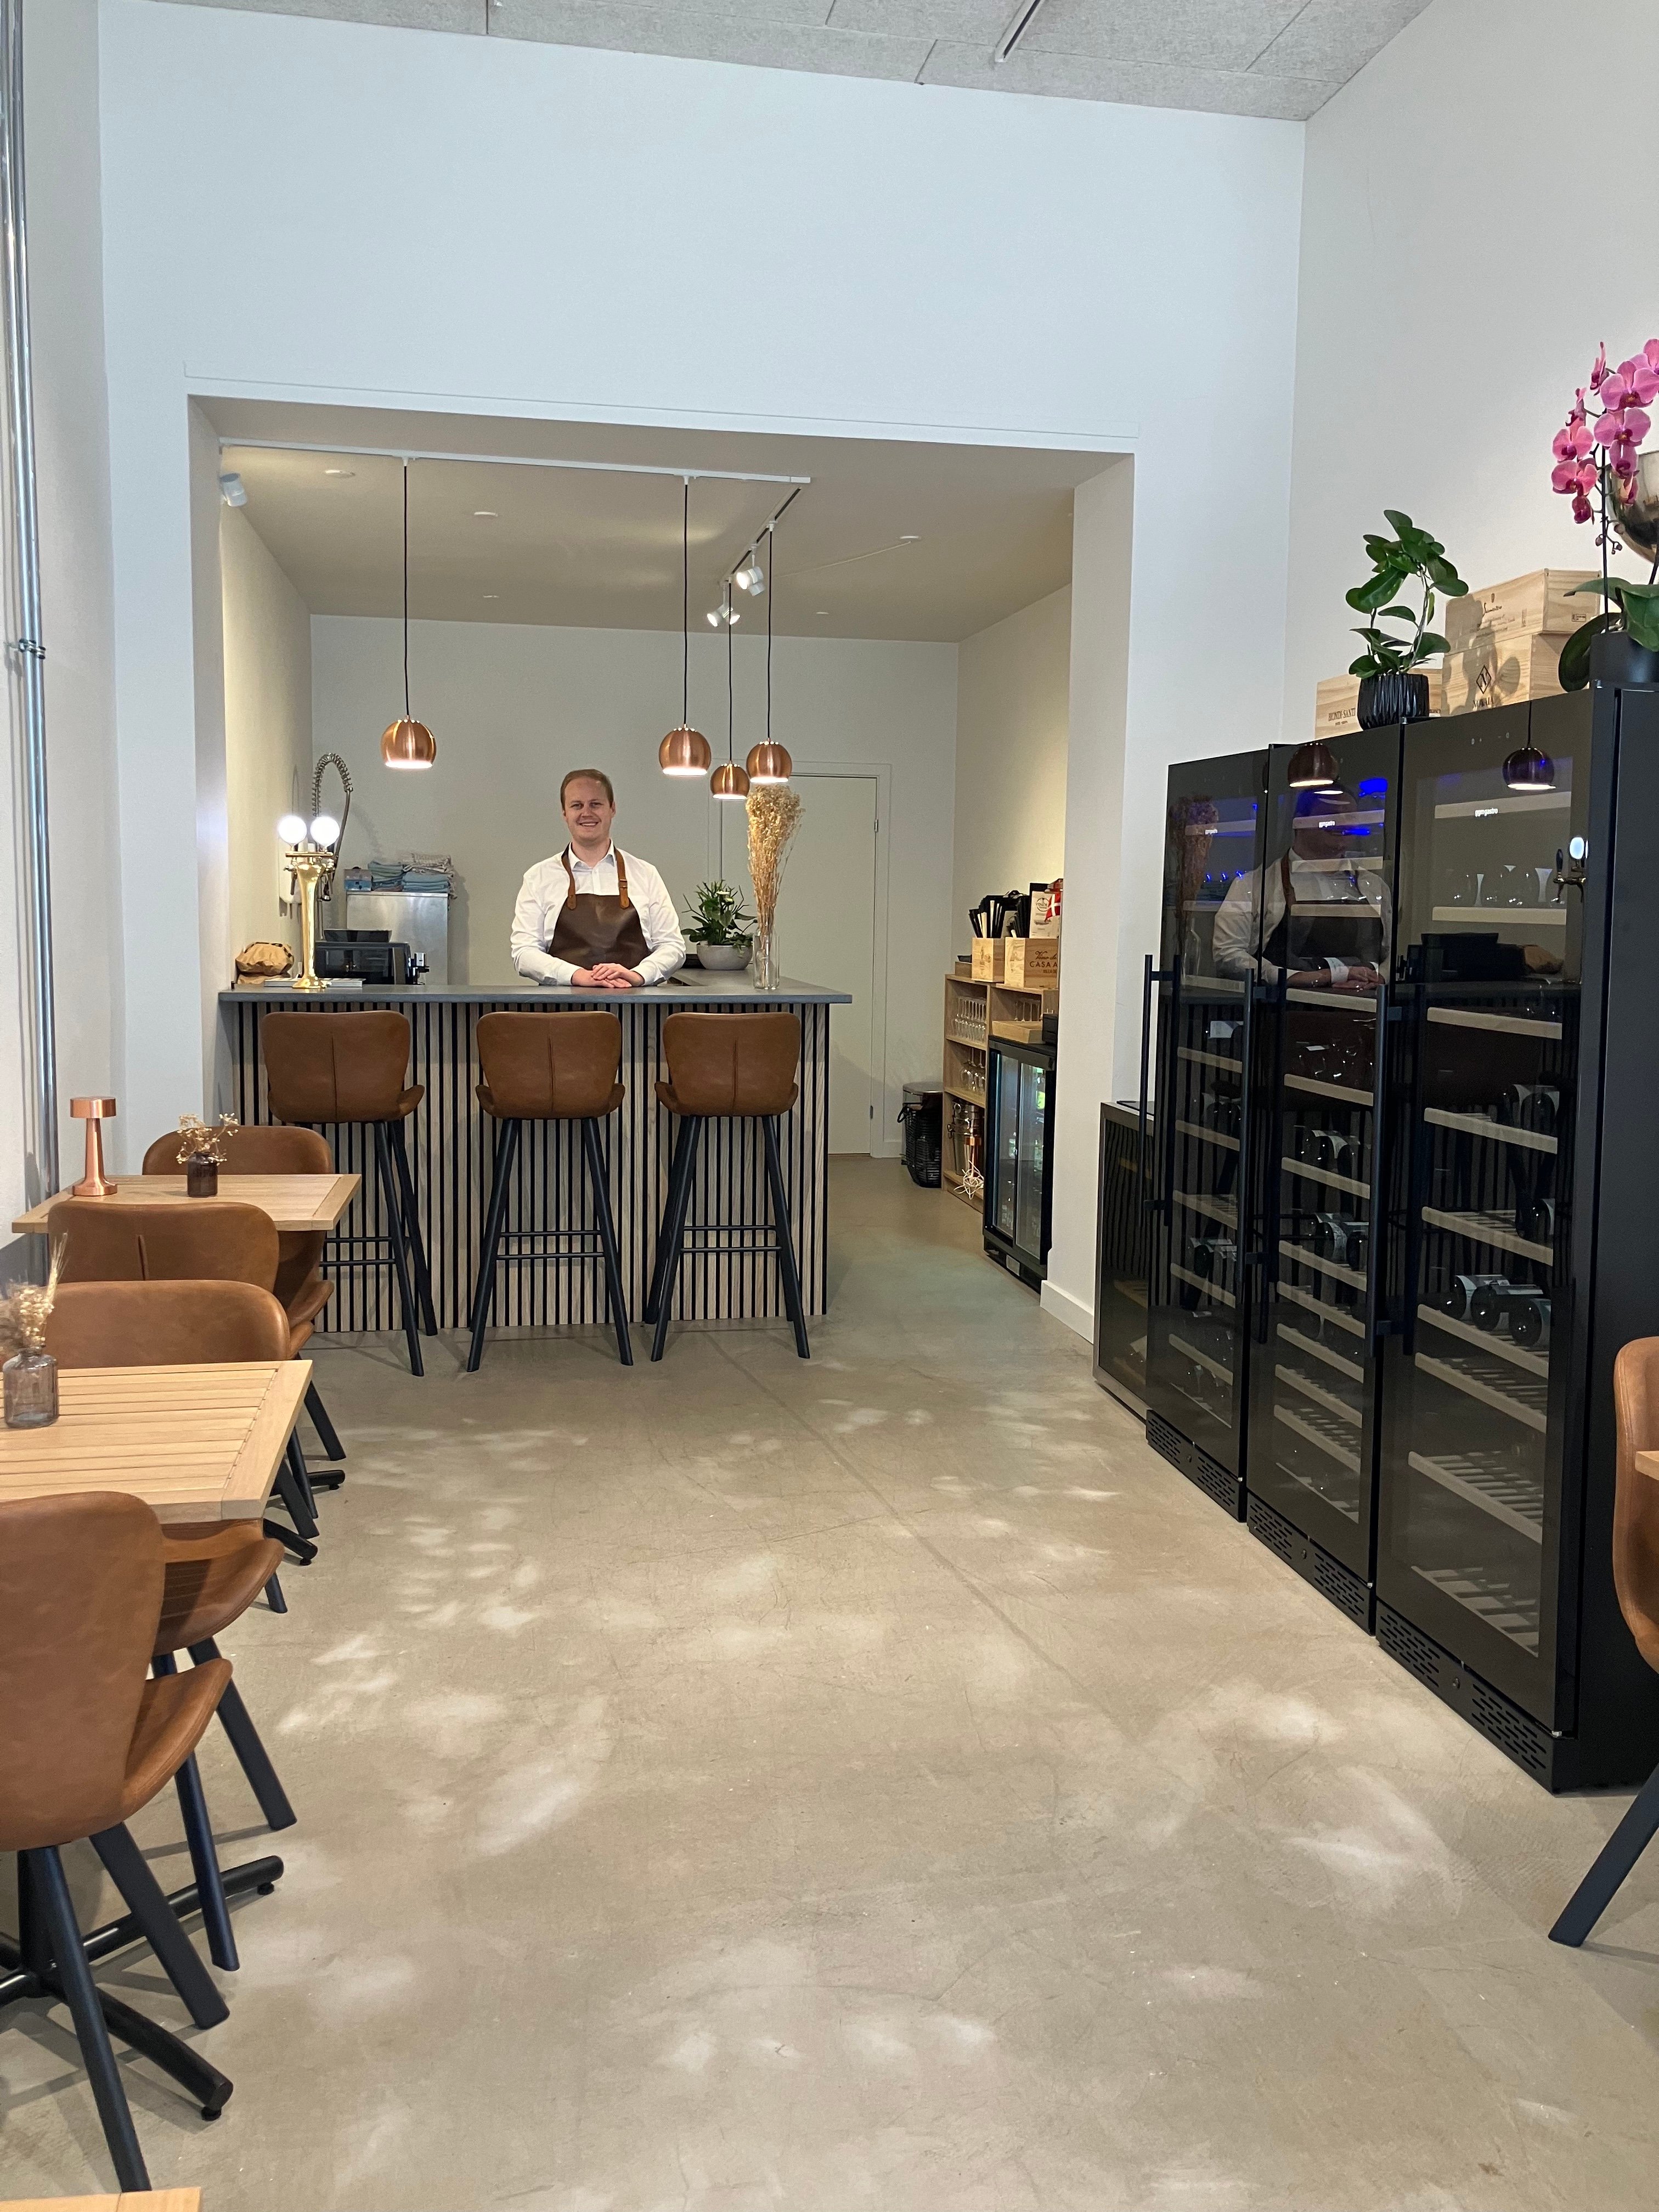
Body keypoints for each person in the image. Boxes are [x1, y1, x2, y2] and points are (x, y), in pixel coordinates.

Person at [510, 769, 686, 990]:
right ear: (565, 813)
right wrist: (577, 976)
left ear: (612, 809)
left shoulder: (646, 874)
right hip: (561, 1008)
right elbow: (524, 952)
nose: (586, 813)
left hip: (635, 1007)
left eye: (595, 804)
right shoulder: (538, 877)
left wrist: (638, 975)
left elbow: (672, 946)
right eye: (577, 805)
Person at [1212, 784, 1389, 990]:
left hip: (1364, 1006)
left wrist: (1379, 978)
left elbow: (1391, 953)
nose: (1342, 823)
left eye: (1350, 817)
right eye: (1331, 814)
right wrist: (1291, 977)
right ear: (1299, 822)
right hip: (1286, 1006)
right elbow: (1228, 955)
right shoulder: (1253, 886)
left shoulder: (1374, 887)